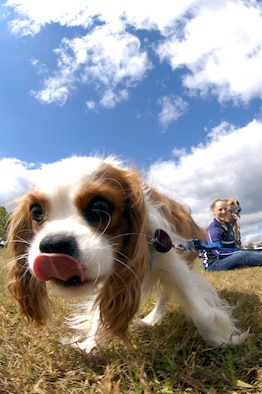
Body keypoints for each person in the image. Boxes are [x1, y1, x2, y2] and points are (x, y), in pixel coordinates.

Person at [203, 198, 262, 271]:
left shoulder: (228, 226)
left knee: (253, 250)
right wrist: (239, 251)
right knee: (243, 255)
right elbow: (219, 253)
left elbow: (233, 247)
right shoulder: (213, 229)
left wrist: (241, 250)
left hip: (226, 260)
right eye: (220, 209)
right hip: (214, 265)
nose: (223, 212)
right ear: (213, 211)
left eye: (225, 209)